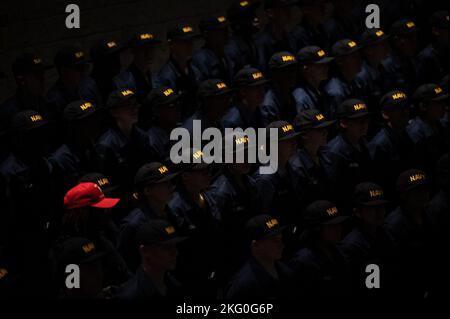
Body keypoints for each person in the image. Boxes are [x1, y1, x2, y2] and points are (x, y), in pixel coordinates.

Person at [0, 110, 57, 295]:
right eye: (33, 135)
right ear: (19, 139)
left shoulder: (45, 165)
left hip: (47, 240)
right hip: (21, 250)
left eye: (41, 134)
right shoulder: (8, 174)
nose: (39, 140)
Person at [208, 131, 262, 284]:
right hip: (232, 259)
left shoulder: (251, 183)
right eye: (240, 154)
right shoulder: (220, 192)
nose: (247, 158)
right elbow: (218, 236)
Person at [168, 148, 220, 297]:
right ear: (185, 176)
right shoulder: (175, 208)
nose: (208, 174)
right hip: (190, 281)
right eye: (201, 171)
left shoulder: (208, 197)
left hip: (212, 272)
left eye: (208, 169)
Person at [58, 182, 130, 287]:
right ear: (80, 213)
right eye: (99, 210)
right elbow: (72, 290)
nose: (105, 213)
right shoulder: (64, 249)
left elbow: (124, 274)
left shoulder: (101, 240)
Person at [117, 162, 179, 271]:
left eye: (170, 182)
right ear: (147, 190)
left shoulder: (172, 213)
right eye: (165, 183)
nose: (171, 187)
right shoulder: (134, 225)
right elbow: (127, 265)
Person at [340, 182, 396, 296]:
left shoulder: (386, 233)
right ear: (358, 212)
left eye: (381, 206)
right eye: (372, 208)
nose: (379, 212)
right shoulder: (352, 246)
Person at [225, 214, 298, 299]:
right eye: (275, 240)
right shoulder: (242, 286)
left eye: (280, 239)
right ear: (255, 246)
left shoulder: (286, 272)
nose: (281, 245)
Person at [385, 169, 432, 298]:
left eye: (425, 189)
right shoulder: (394, 225)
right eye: (417, 192)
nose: (424, 194)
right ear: (404, 196)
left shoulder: (428, 214)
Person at [95, 88, 154, 194]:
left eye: (135, 104)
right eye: (127, 105)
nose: (134, 109)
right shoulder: (106, 145)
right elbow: (106, 182)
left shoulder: (143, 136)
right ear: (114, 112)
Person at [289, 200, 349, 297]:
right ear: (317, 229)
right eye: (332, 226)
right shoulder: (304, 261)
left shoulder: (339, 252)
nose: (339, 229)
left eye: (339, 224)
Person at [115, 220, 186, 298]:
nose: (175, 253)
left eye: (174, 246)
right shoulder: (131, 295)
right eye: (167, 247)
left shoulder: (172, 283)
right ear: (145, 251)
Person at [325, 99, 373, 212]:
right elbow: (335, 191)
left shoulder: (364, 143)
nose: (365, 125)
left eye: (366, 120)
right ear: (344, 123)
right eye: (359, 121)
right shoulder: (335, 152)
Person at [48, 100, 103, 193]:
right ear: (73, 127)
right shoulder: (60, 160)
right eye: (88, 121)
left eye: (95, 119)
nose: (95, 124)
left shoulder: (94, 149)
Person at [369, 90, 416, 199]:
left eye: (406, 107)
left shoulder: (408, 135)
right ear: (385, 114)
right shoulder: (380, 144)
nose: (404, 112)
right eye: (397, 109)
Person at [255, 120, 300, 225]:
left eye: (294, 139)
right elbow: (265, 218)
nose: (294, 144)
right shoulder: (265, 179)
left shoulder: (291, 169)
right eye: (289, 140)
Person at [289, 109, 335, 210]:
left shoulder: (326, 157)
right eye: (320, 130)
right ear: (305, 134)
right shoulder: (296, 167)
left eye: (325, 128)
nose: (325, 133)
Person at [0, 54, 52, 133]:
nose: (42, 79)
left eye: (42, 74)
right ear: (22, 80)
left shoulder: (45, 104)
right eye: (36, 75)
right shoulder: (8, 113)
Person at [158, 24, 201, 118]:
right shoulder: (166, 76)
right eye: (184, 42)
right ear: (172, 45)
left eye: (191, 41)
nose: (190, 46)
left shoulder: (195, 70)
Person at [407, 83, 448, 180]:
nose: (444, 106)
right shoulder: (414, 134)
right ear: (423, 106)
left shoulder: (441, 125)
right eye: (438, 103)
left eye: (444, 102)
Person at [46, 46, 102, 115]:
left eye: (84, 67)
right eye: (78, 68)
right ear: (64, 71)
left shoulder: (89, 84)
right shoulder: (54, 99)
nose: (83, 72)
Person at [113, 32, 162, 102]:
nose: (148, 54)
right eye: (143, 49)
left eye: (151, 48)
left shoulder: (156, 76)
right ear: (134, 51)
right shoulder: (122, 81)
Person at [325, 39, 365, 119]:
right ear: (340, 61)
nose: (359, 60)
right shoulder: (336, 92)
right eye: (354, 57)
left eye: (359, 55)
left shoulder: (356, 81)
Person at [254, 0, 298, 72]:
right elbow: (263, 71)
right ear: (270, 13)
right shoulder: (261, 43)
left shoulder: (290, 37)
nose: (289, 13)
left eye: (289, 9)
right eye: (283, 9)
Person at [356, 28, 391, 115]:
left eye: (386, 43)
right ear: (369, 50)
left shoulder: (382, 68)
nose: (387, 47)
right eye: (382, 44)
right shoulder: (361, 76)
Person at [143, 87, 182, 161]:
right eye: (171, 105)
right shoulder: (152, 140)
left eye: (177, 103)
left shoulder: (181, 129)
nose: (177, 108)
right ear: (156, 111)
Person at [292, 46, 333, 117]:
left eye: (326, 64)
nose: (326, 68)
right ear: (306, 68)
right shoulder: (301, 99)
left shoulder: (320, 89)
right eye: (320, 65)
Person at [192, 15, 234, 83]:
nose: (227, 33)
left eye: (226, 29)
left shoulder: (227, 52)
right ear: (207, 34)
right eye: (220, 31)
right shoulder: (200, 60)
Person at [261, 52, 299, 125]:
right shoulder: (269, 105)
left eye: (294, 70)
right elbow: (272, 136)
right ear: (275, 74)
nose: (293, 75)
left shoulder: (290, 95)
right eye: (287, 71)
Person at [383, 19, 420, 94]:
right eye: (410, 38)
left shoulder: (414, 60)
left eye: (415, 37)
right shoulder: (387, 67)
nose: (414, 42)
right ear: (397, 41)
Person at [225, 0, 262, 75]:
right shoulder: (232, 50)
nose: (255, 19)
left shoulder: (254, 41)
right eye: (249, 17)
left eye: (254, 14)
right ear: (238, 24)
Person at [416, 11, 449, 84]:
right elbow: (424, 87)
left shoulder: (446, 50)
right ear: (435, 31)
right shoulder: (426, 57)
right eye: (447, 30)